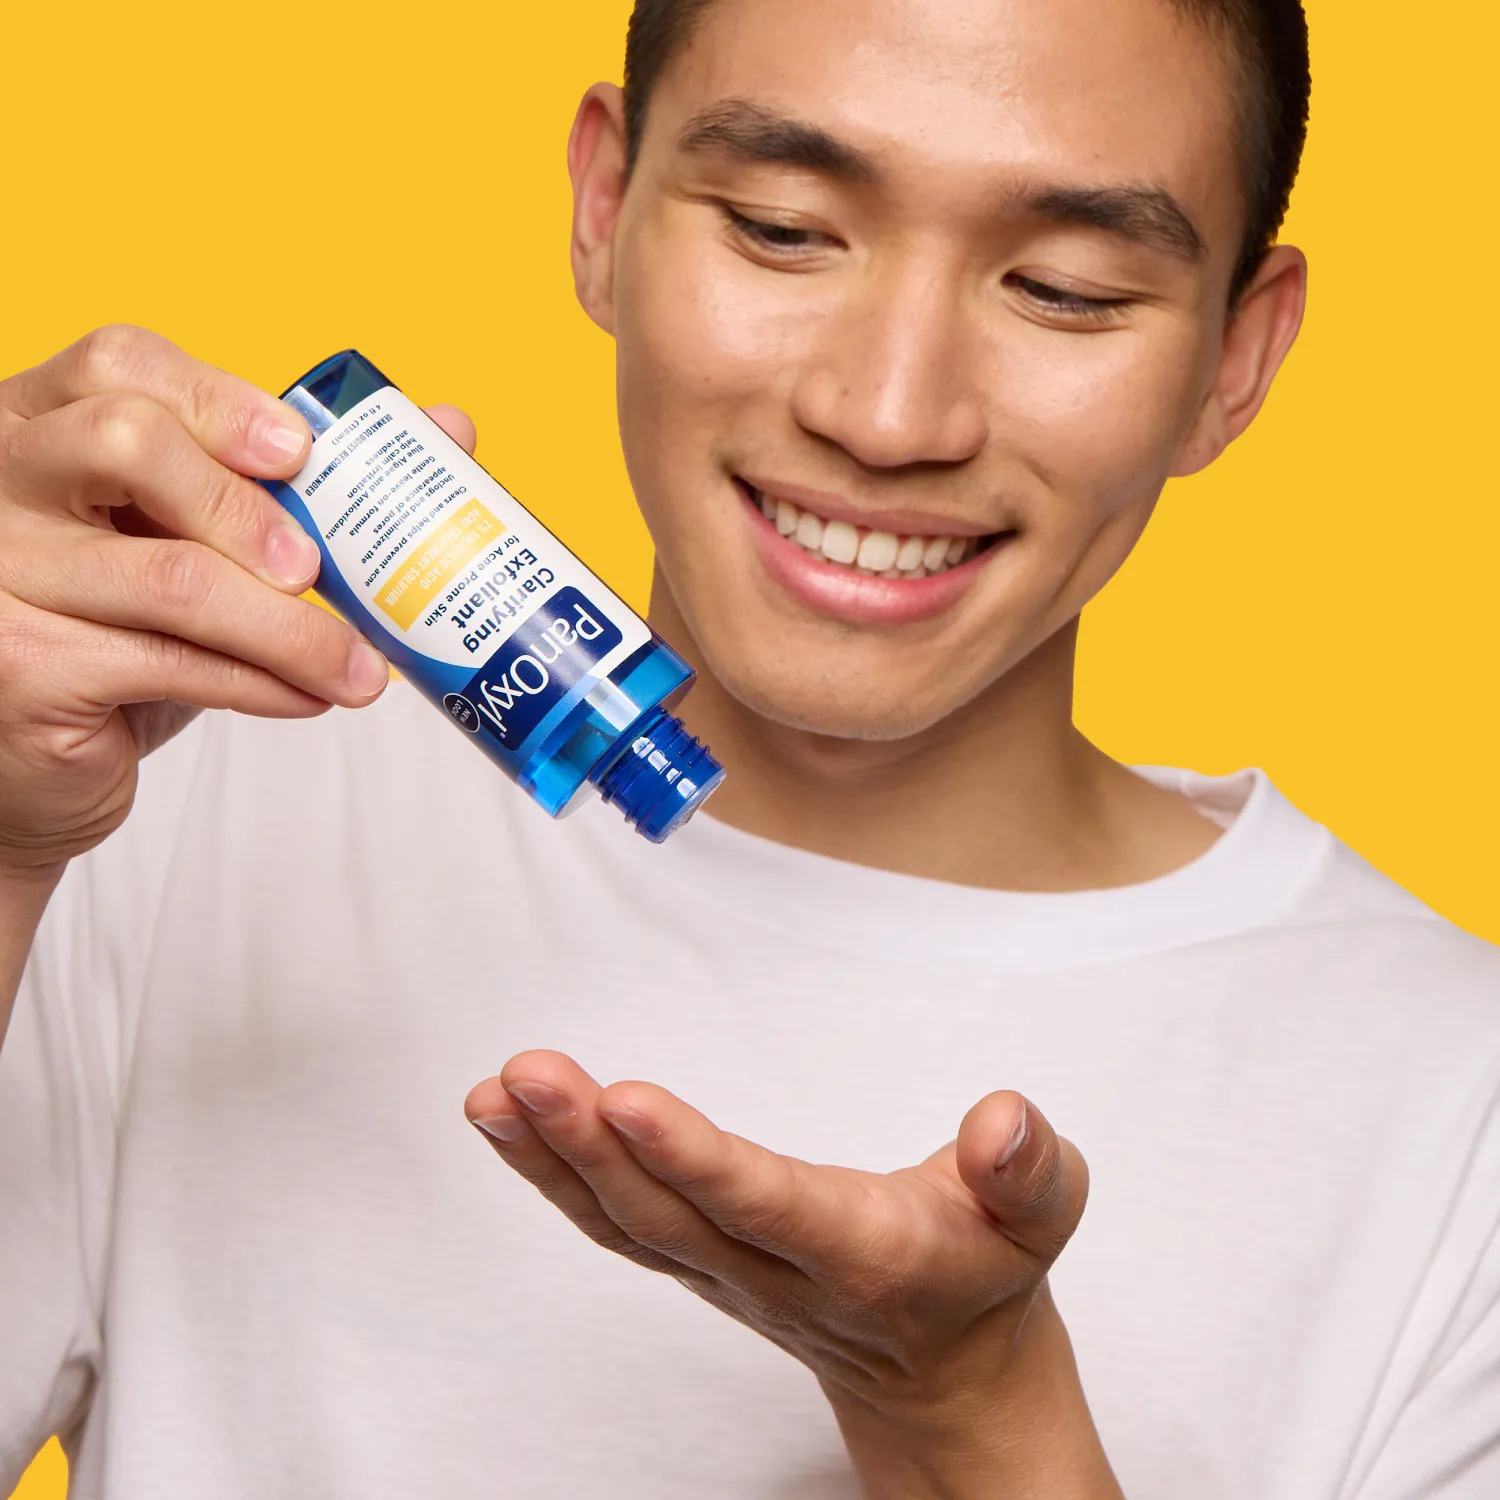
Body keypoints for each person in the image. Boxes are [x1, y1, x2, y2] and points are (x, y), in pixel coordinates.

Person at [1, 0, 1496, 1495]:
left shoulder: (1455, 1120)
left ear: (1237, 353)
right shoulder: (142, 802)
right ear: (603, 205)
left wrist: (970, 1418)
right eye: (783, 229)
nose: (888, 411)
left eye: (1064, 288)